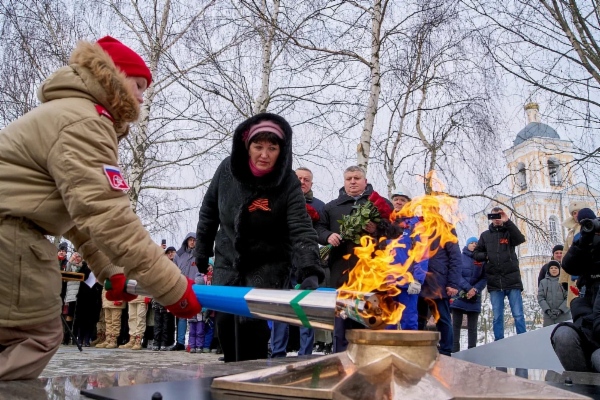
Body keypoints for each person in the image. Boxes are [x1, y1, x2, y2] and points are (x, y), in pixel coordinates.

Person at [0, 36, 199, 381]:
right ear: (113, 76)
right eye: (137, 86)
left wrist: (110, 269)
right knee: (34, 335)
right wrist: (173, 288)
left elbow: (77, 214)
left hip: (13, 229)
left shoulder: (65, 113)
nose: (140, 97)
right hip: (12, 237)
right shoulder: (86, 122)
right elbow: (108, 215)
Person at [195, 113, 325, 362]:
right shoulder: (226, 169)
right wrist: (202, 250)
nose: (264, 154)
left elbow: (300, 226)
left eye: (272, 147)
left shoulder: (287, 181)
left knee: (251, 329)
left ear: (281, 150)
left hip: (267, 265)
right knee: (225, 323)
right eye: (258, 146)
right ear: (247, 147)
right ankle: (230, 376)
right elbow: (209, 210)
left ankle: (250, 381)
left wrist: (310, 268)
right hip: (227, 260)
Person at [315, 165, 393, 353]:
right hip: (342, 275)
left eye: (357, 178)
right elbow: (317, 229)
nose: (352, 182)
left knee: (370, 322)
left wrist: (378, 229)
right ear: (344, 182)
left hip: (371, 276)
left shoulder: (380, 204)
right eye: (349, 178)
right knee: (342, 323)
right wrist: (327, 237)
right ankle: (341, 360)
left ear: (365, 181)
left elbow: (396, 230)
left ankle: (371, 361)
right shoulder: (332, 207)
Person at [270, 167, 325, 358]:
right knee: (279, 307)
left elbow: (322, 232)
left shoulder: (319, 206)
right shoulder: (278, 199)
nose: (302, 182)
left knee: (305, 308)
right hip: (282, 260)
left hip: (306, 263)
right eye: (298, 178)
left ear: (311, 184)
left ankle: (306, 353)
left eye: (306, 180)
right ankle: (277, 352)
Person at [551, 208, 600, 372]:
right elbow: (569, 265)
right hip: (589, 315)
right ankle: (583, 391)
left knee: (598, 358)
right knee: (563, 335)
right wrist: (584, 240)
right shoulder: (586, 240)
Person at [473, 206, 526, 341]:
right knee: (497, 316)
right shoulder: (485, 235)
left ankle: (524, 340)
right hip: (495, 282)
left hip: (512, 280)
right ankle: (499, 343)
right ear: (490, 218)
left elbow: (520, 239)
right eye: (494, 216)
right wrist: (487, 256)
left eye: (499, 216)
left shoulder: (509, 233)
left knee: (518, 314)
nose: (497, 219)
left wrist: (507, 221)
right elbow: (476, 254)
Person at [416, 198, 461, 356]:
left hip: (438, 283)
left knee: (442, 319)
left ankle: (446, 352)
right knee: (418, 319)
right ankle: (417, 351)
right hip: (418, 282)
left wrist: (453, 283)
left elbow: (455, 257)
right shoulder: (418, 228)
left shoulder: (447, 228)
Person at [450, 237, 486, 352]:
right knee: (456, 326)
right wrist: (468, 288)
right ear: (467, 245)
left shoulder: (481, 260)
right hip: (460, 295)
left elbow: (484, 278)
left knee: (473, 328)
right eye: (471, 243)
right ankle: (454, 351)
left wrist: (475, 290)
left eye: (476, 243)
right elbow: (456, 275)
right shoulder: (460, 258)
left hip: (474, 297)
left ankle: (472, 352)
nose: (474, 245)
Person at [170, 233, 198, 351]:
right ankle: (180, 342)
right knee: (181, 316)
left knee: (195, 316)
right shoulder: (179, 255)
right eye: (190, 240)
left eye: (194, 240)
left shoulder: (199, 255)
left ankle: (194, 343)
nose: (192, 242)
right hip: (182, 288)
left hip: (195, 288)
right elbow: (174, 271)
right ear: (186, 241)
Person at [560, 201, 590, 307]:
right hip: (573, 276)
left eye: (578, 212)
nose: (576, 215)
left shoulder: (590, 228)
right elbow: (565, 255)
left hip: (586, 275)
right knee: (576, 306)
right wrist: (563, 279)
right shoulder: (571, 233)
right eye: (574, 213)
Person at [152, 246, 177, 351]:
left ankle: (165, 342)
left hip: (169, 299)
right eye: (168, 252)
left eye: (172, 252)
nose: (170, 254)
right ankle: (156, 341)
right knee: (158, 322)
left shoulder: (176, 266)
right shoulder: (158, 267)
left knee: (168, 322)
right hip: (158, 298)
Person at [538, 261, 571, 327]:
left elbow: (569, 297)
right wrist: (547, 310)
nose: (553, 270)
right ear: (548, 270)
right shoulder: (543, 282)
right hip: (549, 317)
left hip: (564, 316)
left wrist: (560, 310)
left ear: (559, 270)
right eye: (551, 268)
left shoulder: (564, 282)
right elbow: (541, 298)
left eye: (556, 268)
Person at [63, 252, 84, 345]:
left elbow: (82, 273)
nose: (77, 258)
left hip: (80, 293)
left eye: (79, 256)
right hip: (71, 293)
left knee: (78, 316)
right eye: (75, 256)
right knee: (69, 315)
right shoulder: (70, 266)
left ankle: (75, 336)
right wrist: (70, 261)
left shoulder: (83, 266)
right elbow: (66, 274)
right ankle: (66, 337)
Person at [188, 272, 207, 354]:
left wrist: (201, 309)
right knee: (192, 332)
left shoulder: (204, 295)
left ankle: (199, 346)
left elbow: (206, 306)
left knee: (200, 332)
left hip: (200, 317)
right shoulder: (190, 294)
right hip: (192, 316)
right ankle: (192, 346)